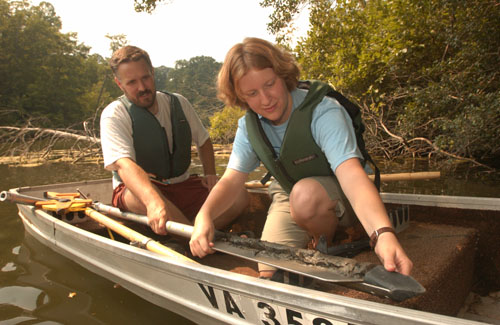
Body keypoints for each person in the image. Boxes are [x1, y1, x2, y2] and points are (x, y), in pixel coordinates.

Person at [189, 37, 413, 279]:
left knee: (305, 196)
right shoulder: (248, 127)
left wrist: (383, 233)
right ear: (241, 97)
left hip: (340, 194)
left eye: (270, 84)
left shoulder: (324, 111)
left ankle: (325, 239)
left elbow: (352, 176)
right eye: (252, 93)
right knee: (269, 269)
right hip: (290, 194)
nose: (265, 100)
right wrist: (205, 217)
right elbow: (231, 181)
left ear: (283, 76)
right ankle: (311, 235)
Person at [100, 45, 249, 235]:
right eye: (132, 82)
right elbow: (124, 165)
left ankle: (192, 234)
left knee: (239, 196)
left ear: (152, 72)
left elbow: (203, 141)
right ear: (120, 84)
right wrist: (153, 201)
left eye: (145, 77)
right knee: (136, 197)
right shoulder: (114, 114)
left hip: (182, 185)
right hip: (142, 191)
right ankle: (194, 238)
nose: (142, 87)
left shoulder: (178, 103)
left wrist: (210, 173)